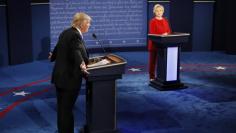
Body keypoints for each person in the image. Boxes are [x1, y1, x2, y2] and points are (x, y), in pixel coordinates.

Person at [49, 12, 91, 133]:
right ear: (82, 24)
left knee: (62, 109)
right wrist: (81, 64)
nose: (89, 25)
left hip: (59, 77)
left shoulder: (65, 32)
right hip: (69, 79)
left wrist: (53, 56)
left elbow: (58, 48)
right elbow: (76, 50)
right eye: (88, 23)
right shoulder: (75, 36)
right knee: (66, 110)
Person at [148, 4, 171, 81]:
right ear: (154, 12)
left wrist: (166, 34)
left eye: (160, 10)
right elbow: (152, 32)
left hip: (164, 45)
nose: (159, 12)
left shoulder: (165, 20)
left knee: (162, 62)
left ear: (163, 11)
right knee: (153, 62)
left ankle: (161, 76)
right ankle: (152, 76)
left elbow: (168, 30)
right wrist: (162, 34)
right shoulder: (152, 21)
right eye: (157, 11)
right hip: (154, 44)